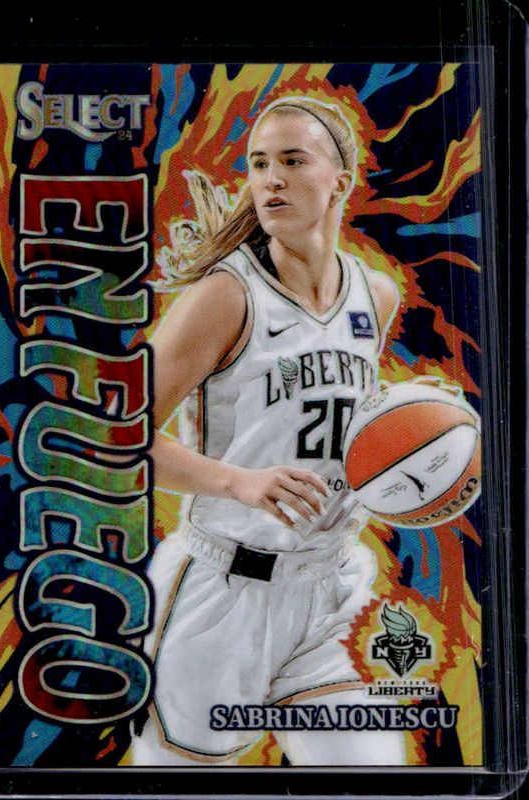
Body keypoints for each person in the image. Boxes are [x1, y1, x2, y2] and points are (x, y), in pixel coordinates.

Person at [131, 96, 405, 766]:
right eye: (258, 164)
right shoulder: (226, 295)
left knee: (376, 778)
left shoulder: (375, 295)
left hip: (329, 589)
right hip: (224, 590)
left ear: (339, 181)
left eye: (292, 160)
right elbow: (116, 437)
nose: (271, 179)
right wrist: (238, 482)